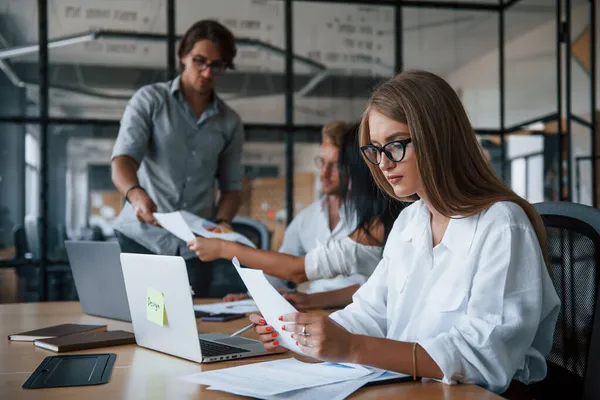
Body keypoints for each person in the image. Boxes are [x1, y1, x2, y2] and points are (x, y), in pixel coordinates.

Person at [248, 70, 560, 398]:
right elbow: (370, 313)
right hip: (405, 387)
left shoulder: (501, 225)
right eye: (375, 150)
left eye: (396, 145)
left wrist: (352, 347)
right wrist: (301, 333)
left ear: (436, 139)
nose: (383, 164)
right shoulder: (410, 221)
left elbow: (483, 358)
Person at [188, 122, 402, 310]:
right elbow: (282, 269)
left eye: (337, 166)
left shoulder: (381, 223)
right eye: (321, 162)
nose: (324, 173)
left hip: (351, 313)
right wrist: (253, 298)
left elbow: (296, 271)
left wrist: (224, 248)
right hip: (317, 310)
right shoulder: (307, 217)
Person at [110, 20, 244, 297]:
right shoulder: (150, 100)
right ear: (183, 56)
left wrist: (222, 222)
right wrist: (136, 195)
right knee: (133, 323)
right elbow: (122, 161)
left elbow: (231, 187)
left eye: (216, 66)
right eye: (199, 61)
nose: (207, 72)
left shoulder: (230, 121)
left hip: (195, 249)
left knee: (190, 327)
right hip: (140, 238)